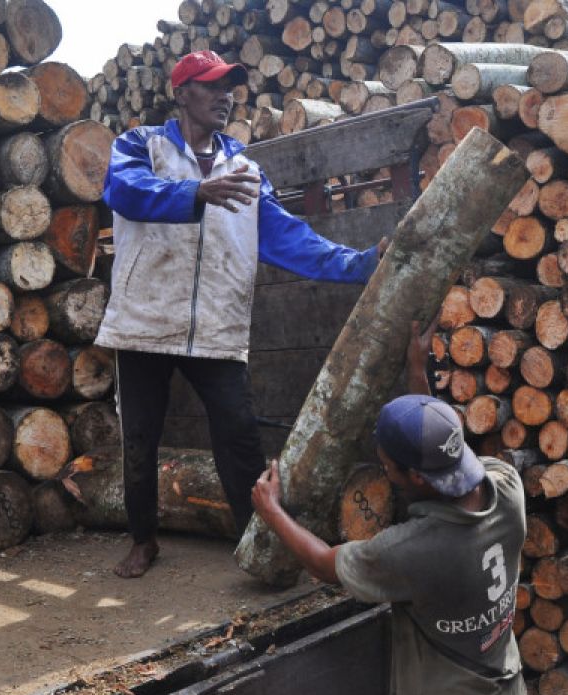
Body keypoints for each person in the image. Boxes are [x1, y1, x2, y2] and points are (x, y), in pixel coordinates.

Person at [95, 50, 386, 578]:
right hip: (144, 324)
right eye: (211, 86)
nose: (225, 96)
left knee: (239, 438)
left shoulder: (245, 168)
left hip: (217, 329)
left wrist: (362, 263)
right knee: (140, 439)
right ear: (181, 93)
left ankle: (260, 545)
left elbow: (289, 239)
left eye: (230, 86)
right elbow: (124, 191)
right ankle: (143, 540)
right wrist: (194, 192)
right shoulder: (141, 145)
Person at [250, 320, 527, 695]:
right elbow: (440, 454)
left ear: (415, 478)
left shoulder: (413, 551)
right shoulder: (506, 488)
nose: (382, 466)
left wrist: (272, 511)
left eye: (386, 463)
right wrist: (417, 378)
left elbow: (321, 562)